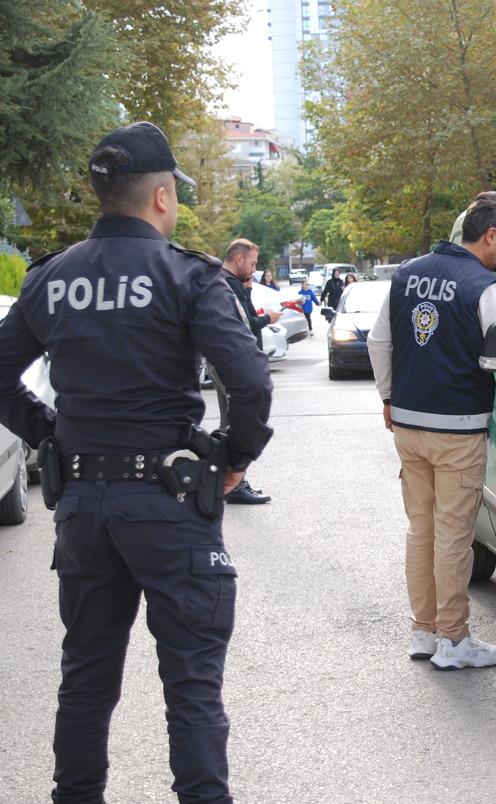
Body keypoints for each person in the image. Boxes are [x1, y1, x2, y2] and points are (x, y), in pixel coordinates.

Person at [0, 121, 273, 803]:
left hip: (84, 508)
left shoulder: (52, 277)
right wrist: (232, 456)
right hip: (170, 504)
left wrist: (50, 436)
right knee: (192, 685)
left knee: (86, 678)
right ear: (160, 197)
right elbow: (249, 383)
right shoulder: (189, 276)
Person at [367, 192, 496, 669]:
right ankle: (454, 641)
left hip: (408, 425)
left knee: (422, 531)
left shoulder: (406, 273)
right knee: (454, 536)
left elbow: (378, 341)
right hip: (458, 431)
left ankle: (424, 632)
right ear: (490, 235)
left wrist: (389, 398)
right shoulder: (484, 286)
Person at [215, 238, 278, 505]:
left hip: (225, 362)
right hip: (233, 363)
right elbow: (246, 324)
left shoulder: (225, 283)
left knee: (229, 420)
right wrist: (268, 318)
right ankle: (234, 482)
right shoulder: (228, 286)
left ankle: (226, 481)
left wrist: (248, 291)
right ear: (238, 259)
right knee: (237, 421)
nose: (254, 269)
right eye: (252, 264)